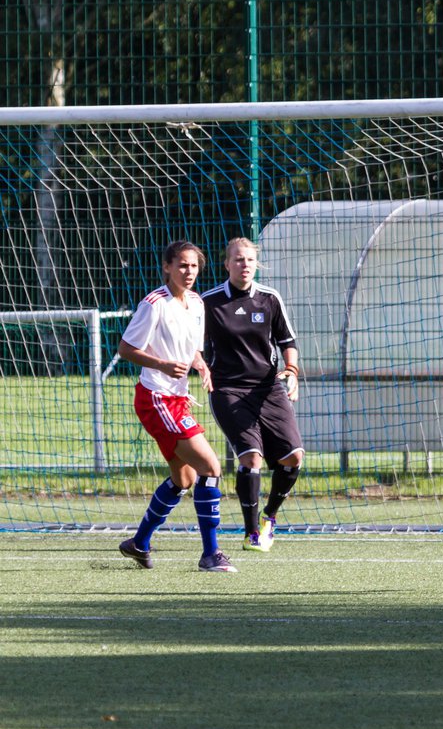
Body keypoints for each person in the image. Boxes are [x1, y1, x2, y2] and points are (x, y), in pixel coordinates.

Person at [117, 240, 235, 572]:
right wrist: (162, 365)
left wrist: (201, 365)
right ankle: (211, 554)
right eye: (182, 265)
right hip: (156, 398)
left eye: (194, 266)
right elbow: (126, 348)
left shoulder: (197, 303)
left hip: (176, 399)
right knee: (210, 467)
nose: (189, 271)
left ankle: (138, 544)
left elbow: (192, 349)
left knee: (183, 480)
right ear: (167, 267)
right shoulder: (154, 304)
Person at [201, 237, 304, 553]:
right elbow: (194, 346)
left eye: (249, 260)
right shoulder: (209, 302)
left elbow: (288, 342)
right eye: (238, 259)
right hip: (228, 389)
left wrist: (292, 372)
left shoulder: (270, 299)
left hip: (269, 388)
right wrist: (197, 368)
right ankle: (250, 533)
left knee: (293, 457)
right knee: (251, 457)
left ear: (256, 264)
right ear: (227, 263)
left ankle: (268, 516)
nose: (244, 264)